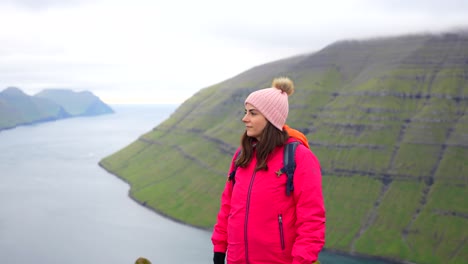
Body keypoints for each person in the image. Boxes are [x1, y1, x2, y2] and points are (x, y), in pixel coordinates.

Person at [211, 77, 326, 264]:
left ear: (271, 118)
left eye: (253, 113)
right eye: (245, 112)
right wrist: (219, 249)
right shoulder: (243, 155)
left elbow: (312, 220)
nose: (244, 118)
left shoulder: (299, 157)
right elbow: (228, 207)